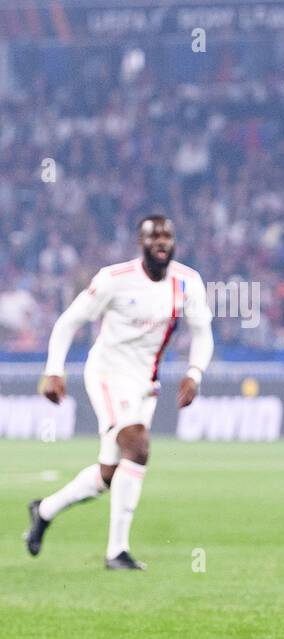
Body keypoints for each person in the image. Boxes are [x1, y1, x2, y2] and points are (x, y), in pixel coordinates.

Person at [24, 215, 213, 570]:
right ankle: (117, 552)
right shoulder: (114, 280)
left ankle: (44, 510)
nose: (161, 241)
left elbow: (202, 332)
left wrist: (194, 373)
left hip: (146, 383)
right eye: (153, 236)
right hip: (108, 375)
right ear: (140, 243)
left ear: (174, 242)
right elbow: (69, 322)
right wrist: (53, 370)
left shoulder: (188, 282)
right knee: (137, 445)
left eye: (167, 236)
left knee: (109, 474)